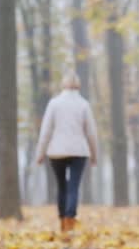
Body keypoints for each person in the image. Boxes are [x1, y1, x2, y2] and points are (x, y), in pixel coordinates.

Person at [36, 73, 98, 233]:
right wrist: (94, 154)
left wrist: (40, 153)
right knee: (73, 187)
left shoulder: (54, 103)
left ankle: (62, 221)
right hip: (79, 151)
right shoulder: (84, 104)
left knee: (62, 187)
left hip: (57, 151)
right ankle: (70, 220)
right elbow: (91, 132)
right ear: (78, 85)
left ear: (63, 85)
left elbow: (46, 131)